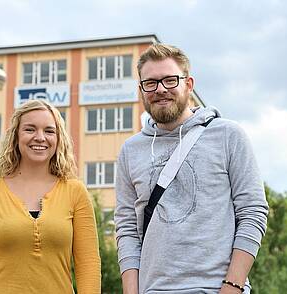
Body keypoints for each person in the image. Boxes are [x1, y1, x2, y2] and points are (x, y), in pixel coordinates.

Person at [114, 44, 269, 294]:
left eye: (170, 80)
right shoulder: (130, 151)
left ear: (189, 84)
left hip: (215, 288)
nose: (160, 89)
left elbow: (253, 212)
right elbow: (127, 230)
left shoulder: (228, 135)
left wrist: (233, 286)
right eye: (150, 83)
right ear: (141, 90)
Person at [0, 99, 101, 293]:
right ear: (16, 137)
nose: (40, 137)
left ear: (58, 139)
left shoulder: (76, 192)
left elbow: (88, 265)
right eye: (30, 129)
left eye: (49, 131)